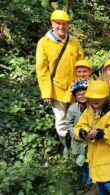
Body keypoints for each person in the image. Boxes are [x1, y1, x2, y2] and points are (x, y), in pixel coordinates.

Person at [36, 10, 84, 157]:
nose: (61, 27)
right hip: (57, 89)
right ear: (52, 23)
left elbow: (81, 63)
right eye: (58, 23)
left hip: (76, 89)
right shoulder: (44, 43)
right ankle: (66, 147)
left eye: (64, 24)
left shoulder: (74, 41)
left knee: (79, 117)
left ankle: (80, 147)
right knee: (61, 120)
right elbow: (42, 69)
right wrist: (46, 92)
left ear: (68, 24)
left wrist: (84, 83)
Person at [74, 80, 110, 195]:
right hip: (93, 153)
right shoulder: (88, 111)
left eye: (99, 97)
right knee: (98, 179)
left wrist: (100, 133)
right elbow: (81, 125)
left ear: (106, 98)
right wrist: (83, 132)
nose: (95, 100)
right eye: (92, 97)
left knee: (107, 180)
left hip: (107, 153)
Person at [65, 80, 91, 186]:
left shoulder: (93, 106)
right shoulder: (72, 109)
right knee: (80, 158)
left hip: (90, 137)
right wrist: (74, 134)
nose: (82, 96)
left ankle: (90, 174)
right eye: (79, 94)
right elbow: (68, 124)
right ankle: (84, 172)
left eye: (84, 93)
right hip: (77, 139)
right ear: (75, 97)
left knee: (90, 157)